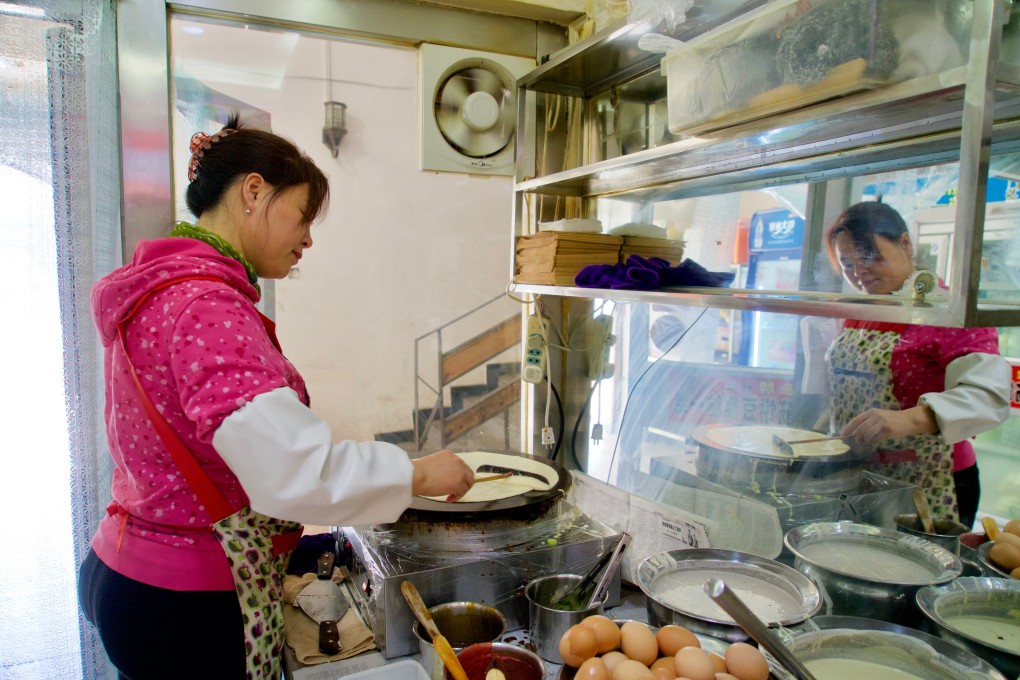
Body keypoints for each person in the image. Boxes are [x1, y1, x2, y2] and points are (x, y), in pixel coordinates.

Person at [78, 115, 476, 679]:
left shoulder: (160, 290)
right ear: (254, 191)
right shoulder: (205, 303)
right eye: (304, 215)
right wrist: (417, 475)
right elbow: (294, 471)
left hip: (133, 568)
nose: (308, 237)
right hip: (185, 599)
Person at [823, 200, 1011, 527]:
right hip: (863, 475)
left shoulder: (947, 310)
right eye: (847, 264)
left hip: (932, 479)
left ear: (906, 244)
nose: (859, 272)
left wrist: (909, 419)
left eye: (868, 256)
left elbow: (988, 396)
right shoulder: (863, 311)